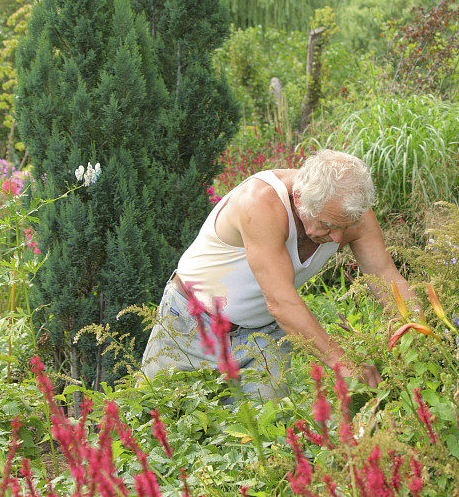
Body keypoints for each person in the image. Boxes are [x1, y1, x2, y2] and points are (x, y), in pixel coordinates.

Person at [140, 149, 418, 398]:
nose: (337, 238)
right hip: (191, 323)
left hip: (264, 334)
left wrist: (418, 329)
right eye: (327, 225)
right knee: (156, 422)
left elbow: (386, 277)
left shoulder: (348, 212)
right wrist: (343, 363)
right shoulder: (260, 203)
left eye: (344, 227)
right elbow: (281, 300)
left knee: (262, 440)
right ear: (299, 198)